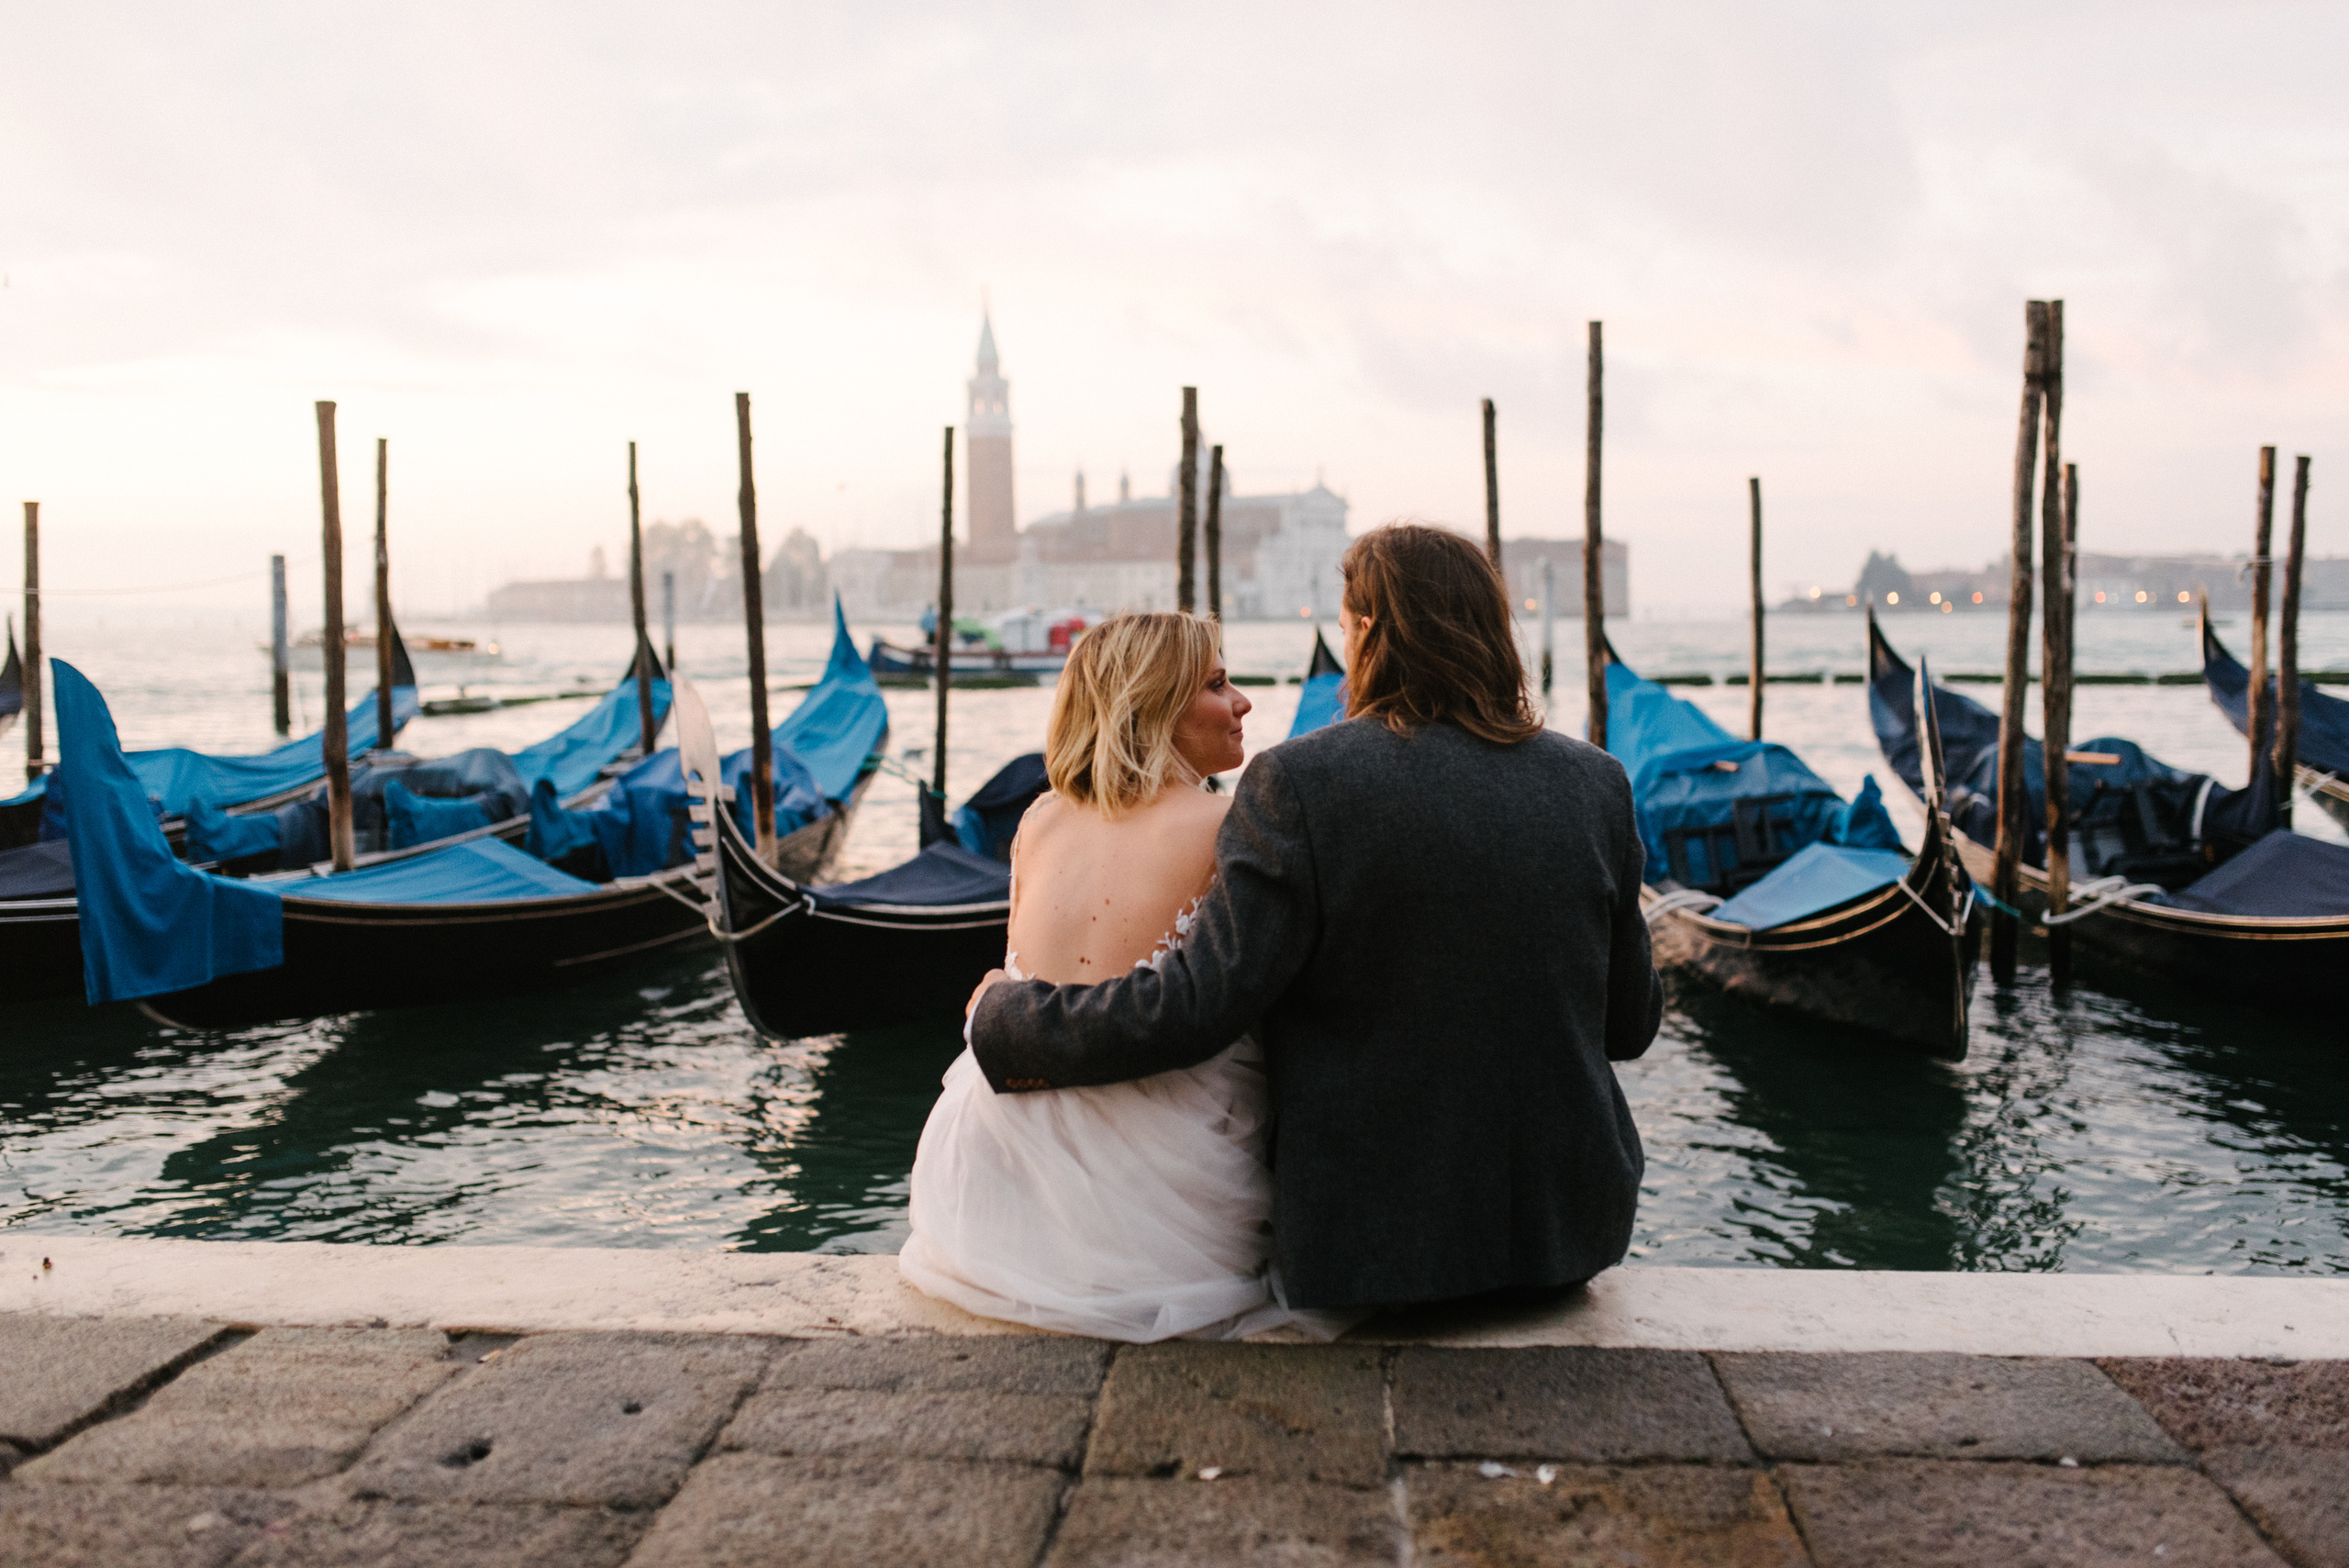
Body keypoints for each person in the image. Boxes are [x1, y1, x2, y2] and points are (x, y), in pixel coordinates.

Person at [964, 522, 1663, 1318]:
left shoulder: (1298, 782)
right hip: (1567, 1241)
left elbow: (1193, 1009)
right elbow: (1630, 1025)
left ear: (1366, 630)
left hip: (1369, 1254)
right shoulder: (1597, 783)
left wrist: (1006, 1017)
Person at [899, 610, 1345, 1340]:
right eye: (1217, 683)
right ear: (1153, 703)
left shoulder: (1039, 819)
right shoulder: (1228, 824)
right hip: (1163, 1218)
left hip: (984, 1196)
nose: (1243, 703)